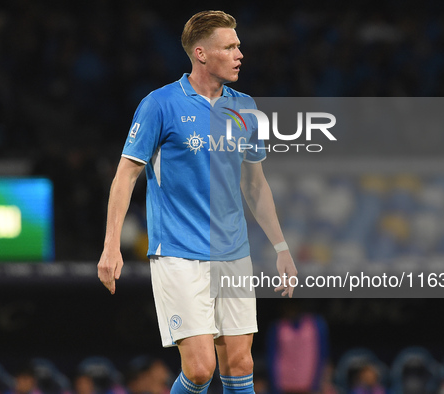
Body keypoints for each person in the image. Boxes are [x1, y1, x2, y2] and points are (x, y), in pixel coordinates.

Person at [97, 10, 297, 394]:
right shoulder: (160, 104)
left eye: (239, 45)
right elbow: (125, 175)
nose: (241, 53)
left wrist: (281, 246)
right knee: (202, 368)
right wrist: (111, 245)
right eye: (231, 46)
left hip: (234, 252)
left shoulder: (246, 108)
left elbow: (255, 185)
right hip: (178, 252)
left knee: (240, 364)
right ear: (202, 54)